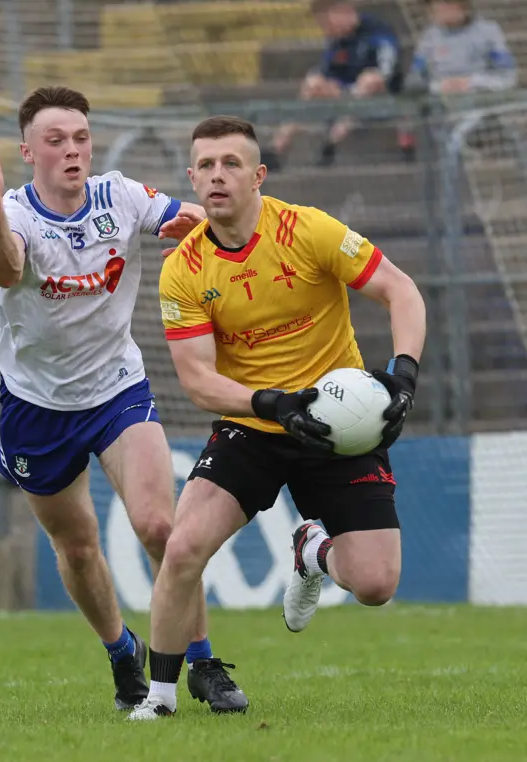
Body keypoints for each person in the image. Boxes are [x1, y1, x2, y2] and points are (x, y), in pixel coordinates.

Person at [0, 86, 248, 714]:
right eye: (56, 141)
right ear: (28, 150)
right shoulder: (13, 212)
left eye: (81, 138)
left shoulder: (119, 196)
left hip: (117, 387)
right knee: (79, 547)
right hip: (35, 405)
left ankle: (202, 664)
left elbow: (195, 216)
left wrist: (199, 235)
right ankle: (123, 657)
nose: (72, 151)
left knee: (160, 527)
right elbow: (7, 269)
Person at [128, 115, 426, 720]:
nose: (218, 176)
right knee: (182, 547)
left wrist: (403, 378)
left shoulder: (307, 229)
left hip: (338, 427)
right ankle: (157, 699)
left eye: (231, 163)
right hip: (254, 426)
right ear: (191, 177)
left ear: (258, 174)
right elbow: (198, 380)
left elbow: (401, 291)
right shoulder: (183, 267)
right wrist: (271, 403)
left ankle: (313, 551)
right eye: (206, 166)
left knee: (375, 585)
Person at [267, 0, 404, 168]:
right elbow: (326, 73)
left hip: (380, 97)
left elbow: (387, 73)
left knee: (369, 80)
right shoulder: (337, 42)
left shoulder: (377, 31)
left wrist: (354, 90)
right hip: (346, 95)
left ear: (342, 11)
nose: (327, 30)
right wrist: (332, 88)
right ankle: (276, 148)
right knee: (313, 82)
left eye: (327, 23)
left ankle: (329, 144)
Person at [406, 0, 517, 96]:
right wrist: (439, 86)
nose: (442, 9)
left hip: (483, 104)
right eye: (436, 5)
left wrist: (472, 82)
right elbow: (414, 80)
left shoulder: (488, 32)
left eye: (448, 4)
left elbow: (507, 77)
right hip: (442, 108)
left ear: (463, 6)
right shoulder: (428, 38)